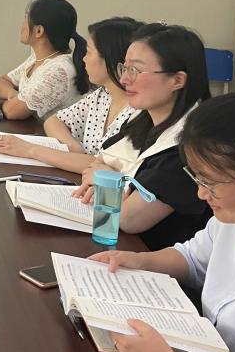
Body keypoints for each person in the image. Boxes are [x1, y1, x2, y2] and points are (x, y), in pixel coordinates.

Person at [91, 93, 235, 352]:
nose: (201, 194)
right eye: (197, 178)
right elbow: (192, 258)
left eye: (211, 182)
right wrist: (140, 260)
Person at [76, 23, 212, 250]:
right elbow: (98, 162)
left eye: (135, 70)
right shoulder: (143, 118)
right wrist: (111, 181)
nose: (124, 79)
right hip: (118, 245)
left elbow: (128, 219)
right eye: (124, 67)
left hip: (155, 261)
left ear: (177, 80)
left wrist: (107, 179)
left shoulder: (188, 148)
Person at [0, 17, 140, 171]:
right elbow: (55, 121)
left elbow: (102, 166)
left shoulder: (138, 112)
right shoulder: (103, 95)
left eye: (89, 52)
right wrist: (74, 149)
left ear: (110, 60)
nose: (83, 59)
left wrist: (30, 150)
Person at [0, 0, 90, 120]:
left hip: (45, 132)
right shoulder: (37, 58)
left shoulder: (59, 71)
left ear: (39, 31)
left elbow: (11, 111)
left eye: (25, 18)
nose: (21, 24)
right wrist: (12, 94)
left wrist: (15, 101)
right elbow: (2, 81)